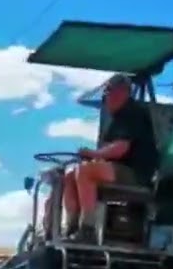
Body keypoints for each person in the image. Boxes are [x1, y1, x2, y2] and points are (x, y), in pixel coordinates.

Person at [62, 74, 161, 238]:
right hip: (118, 170)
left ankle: (87, 229)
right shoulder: (116, 119)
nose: (105, 97)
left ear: (122, 92)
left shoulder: (132, 113)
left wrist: (93, 154)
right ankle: (71, 227)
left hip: (136, 173)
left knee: (86, 171)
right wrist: (94, 157)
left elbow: (121, 148)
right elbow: (109, 153)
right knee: (69, 176)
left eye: (108, 91)